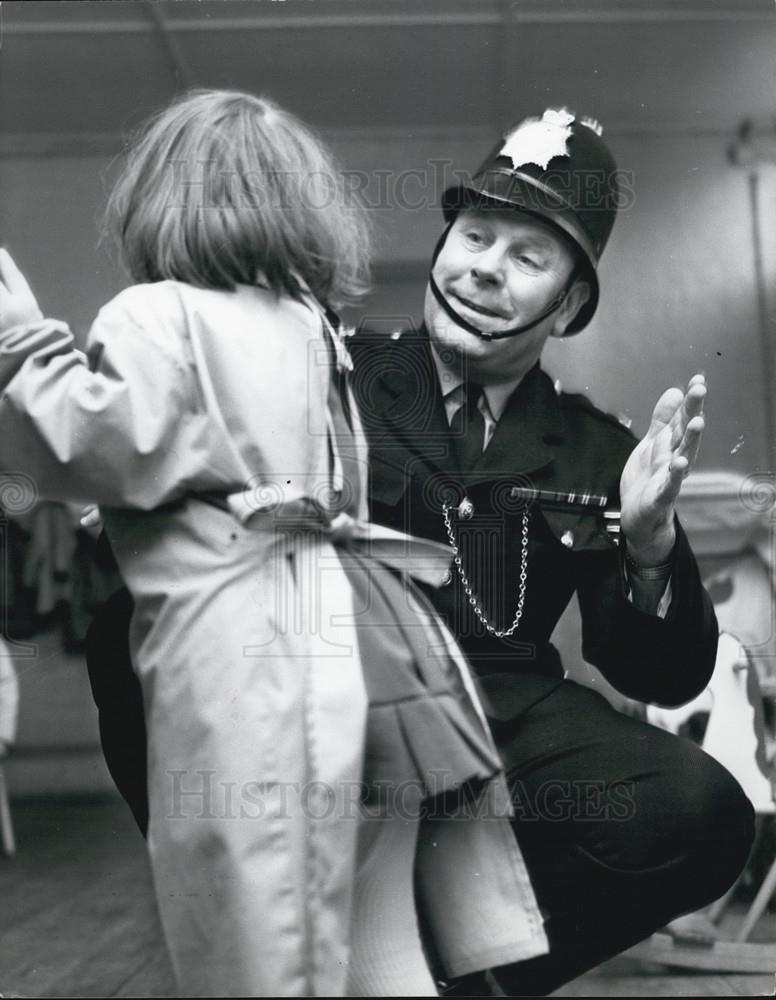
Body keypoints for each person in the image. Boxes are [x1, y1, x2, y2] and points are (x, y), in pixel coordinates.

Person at [82, 107, 753, 996]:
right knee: (126, 617)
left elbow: (658, 676)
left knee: (700, 812)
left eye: (527, 257)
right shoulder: (327, 371)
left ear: (573, 301)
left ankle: (457, 982)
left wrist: (651, 543)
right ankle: (248, 915)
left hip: (506, 721)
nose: (483, 267)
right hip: (336, 706)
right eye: (474, 234)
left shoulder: (597, 450)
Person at [0, 90, 552, 997]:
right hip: (370, 650)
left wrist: (24, 345)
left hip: (258, 672)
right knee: (378, 930)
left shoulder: (155, 314)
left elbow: (93, 444)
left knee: (263, 917)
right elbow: (265, 474)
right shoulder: (309, 324)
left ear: (156, 201)